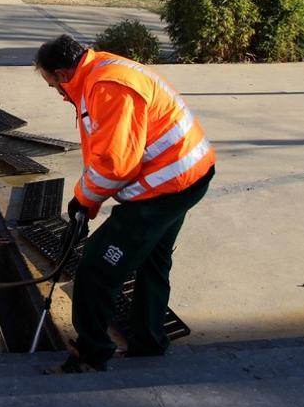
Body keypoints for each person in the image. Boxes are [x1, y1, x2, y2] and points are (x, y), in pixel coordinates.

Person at [34, 34, 216, 373]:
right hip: (187, 175)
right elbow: (108, 151)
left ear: (61, 74)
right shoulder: (100, 70)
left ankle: (89, 355)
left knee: (95, 269)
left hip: (167, 186)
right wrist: (87, 203)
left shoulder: (108, 87)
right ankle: (148, 345)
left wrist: (82, 201)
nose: (58, 95)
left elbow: (117, 164)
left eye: (53, 85)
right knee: (152, 260)